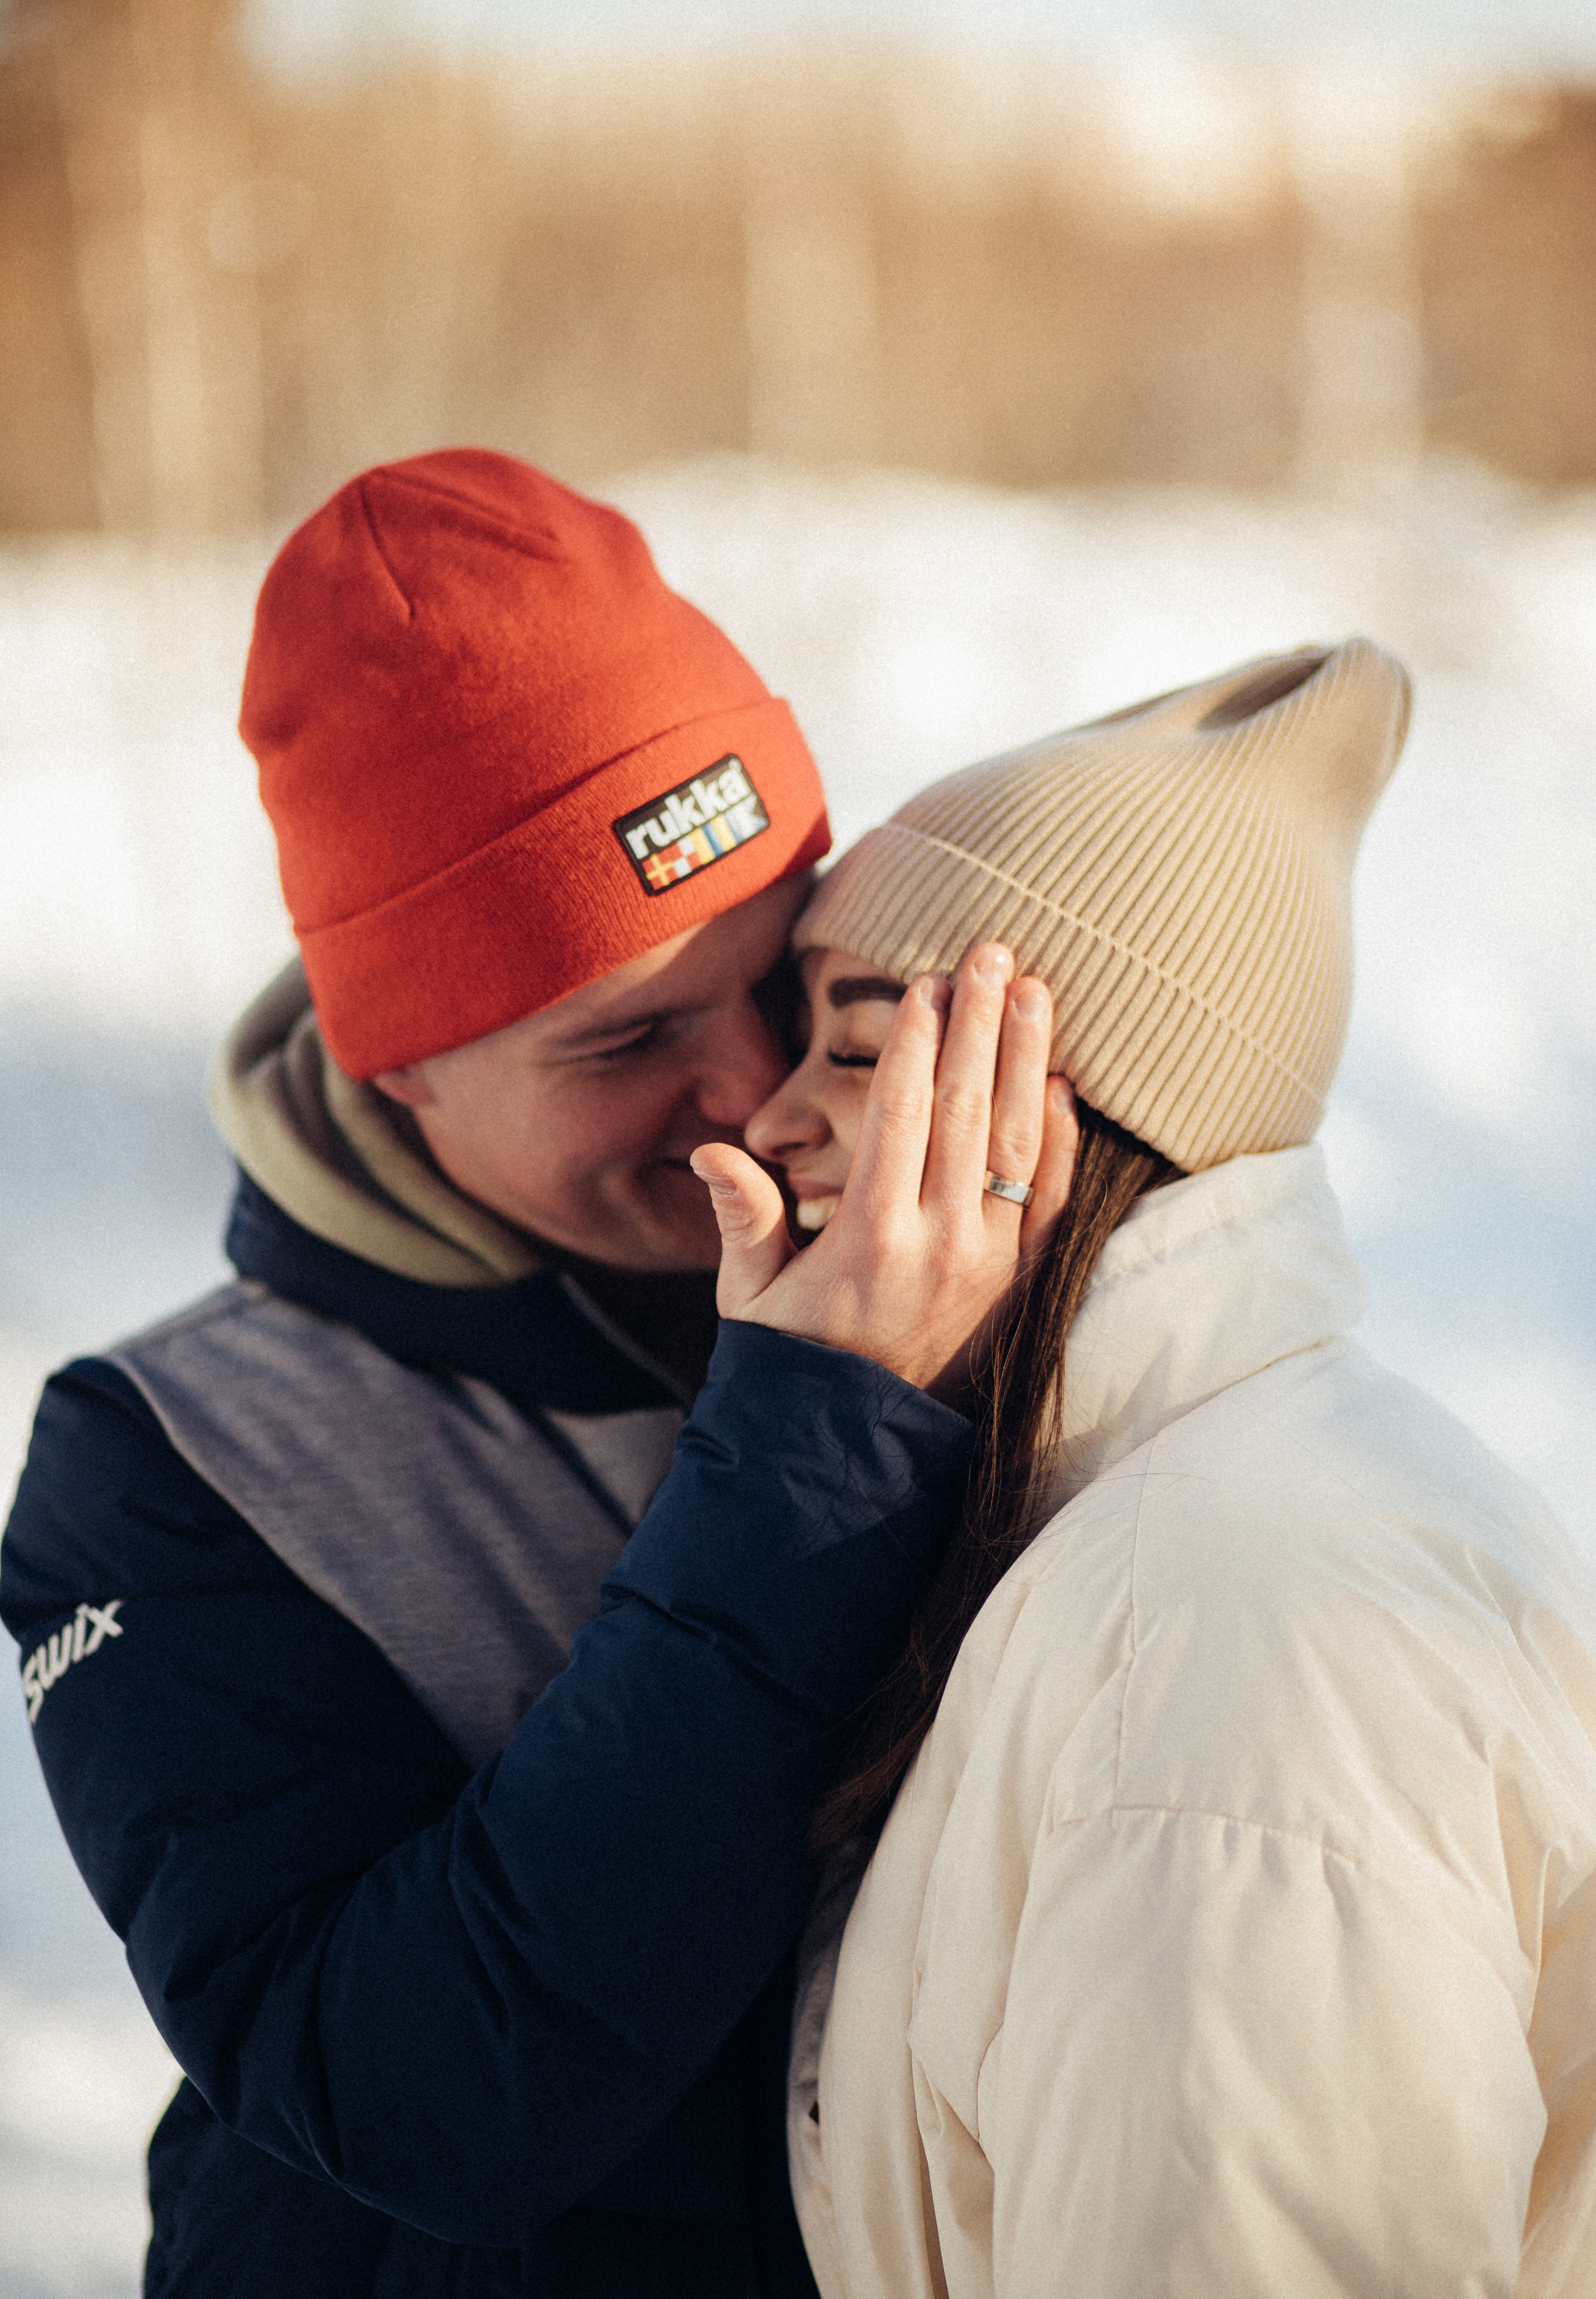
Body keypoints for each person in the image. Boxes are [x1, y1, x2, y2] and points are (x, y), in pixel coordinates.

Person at [0, 448, 1075, 2298]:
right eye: (628, 1040)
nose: (754, 1090)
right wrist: (813, 1451)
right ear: (400, 1064)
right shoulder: (171, 1465)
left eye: (782, 979)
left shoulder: (929, 1253)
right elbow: (423, 2099)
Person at [691, 637, 1596, 2298]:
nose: (773, 1122)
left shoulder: (1231, 1631)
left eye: (863, 1050)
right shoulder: (1136, 1531)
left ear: (1073, 1107)